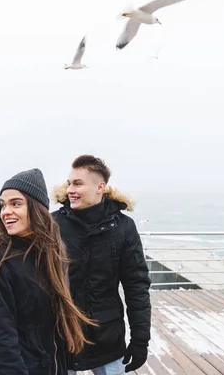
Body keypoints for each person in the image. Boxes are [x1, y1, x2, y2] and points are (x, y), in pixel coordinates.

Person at [0, 168, 96, 375]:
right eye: (4, 205)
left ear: (37, 209)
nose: (6, 212)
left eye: (16, 204)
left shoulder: (49, 255)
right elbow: (0, 337)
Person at [51, 155, 152, 374]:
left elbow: (137, 286)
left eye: (78, 183)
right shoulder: (53, 224)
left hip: (106, 338)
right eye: (69, 183)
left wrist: (140, 339)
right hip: (60, 337)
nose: (70, 190)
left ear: (100, 187)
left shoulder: (124, 227)